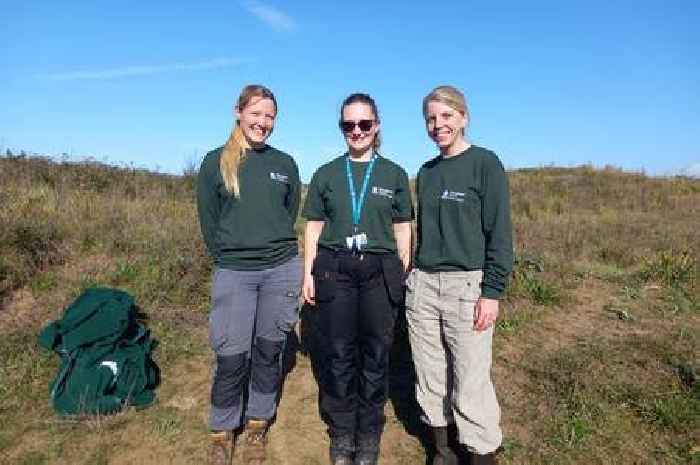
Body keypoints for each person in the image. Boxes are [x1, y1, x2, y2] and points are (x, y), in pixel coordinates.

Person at [302, 93, 413, 465]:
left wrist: (402, 268)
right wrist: (309, 274)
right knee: (338, 354)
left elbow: (402, 228)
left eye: (364, 124)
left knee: (376, 354)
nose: (357, 131)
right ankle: (341, 433)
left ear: (376, 126)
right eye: (349, 125)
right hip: (335, 268)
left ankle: (368, 434)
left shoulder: (394, 174)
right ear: (341, 128)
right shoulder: (326, 174)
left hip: (379, 270)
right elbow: (314, 227)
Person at [406, 86, 513, 465]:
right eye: (431, 119)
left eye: (446, 116)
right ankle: (442, 450)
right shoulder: (427, 172)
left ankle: (481, 452)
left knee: (470, 379)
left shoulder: (485, 164)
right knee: (430, 374)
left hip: (467, 286)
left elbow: (499, 234)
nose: (438, 125)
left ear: (464, 117)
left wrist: (492, 291)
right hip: (423, 285)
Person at [196, 84, 302, 465]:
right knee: (231, 355)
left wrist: (268, 247)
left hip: (281, 269)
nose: (263, 122)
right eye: (256, 113)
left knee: (269, 351)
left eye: (269, 116)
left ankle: (258, 424)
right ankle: (222, 430)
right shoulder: (214, 162)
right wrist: (233, 253)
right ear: (238, 112)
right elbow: (209, 222)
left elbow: (289, 213)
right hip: (235, 272)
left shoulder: (285, 163)